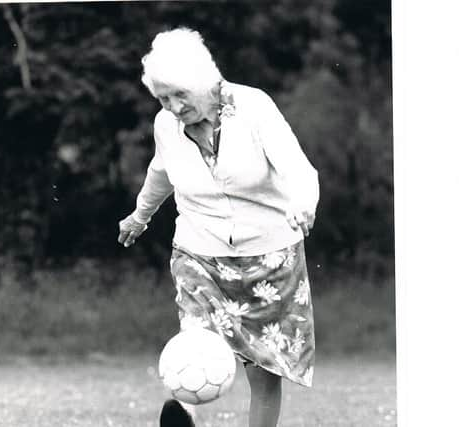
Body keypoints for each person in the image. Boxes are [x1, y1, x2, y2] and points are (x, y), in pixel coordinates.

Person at [117, 27, 319, 427]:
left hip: (271, 253)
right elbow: (161, 171)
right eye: (162, 98)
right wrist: (140, 216)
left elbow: (297, 167)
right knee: (196, 341)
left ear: (202, 80)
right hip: (200, 249)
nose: (173, 107)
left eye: (180, 95)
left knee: (264, 368)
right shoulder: (165, 125)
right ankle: (184, 414)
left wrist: (302, 205)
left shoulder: (254, 107)